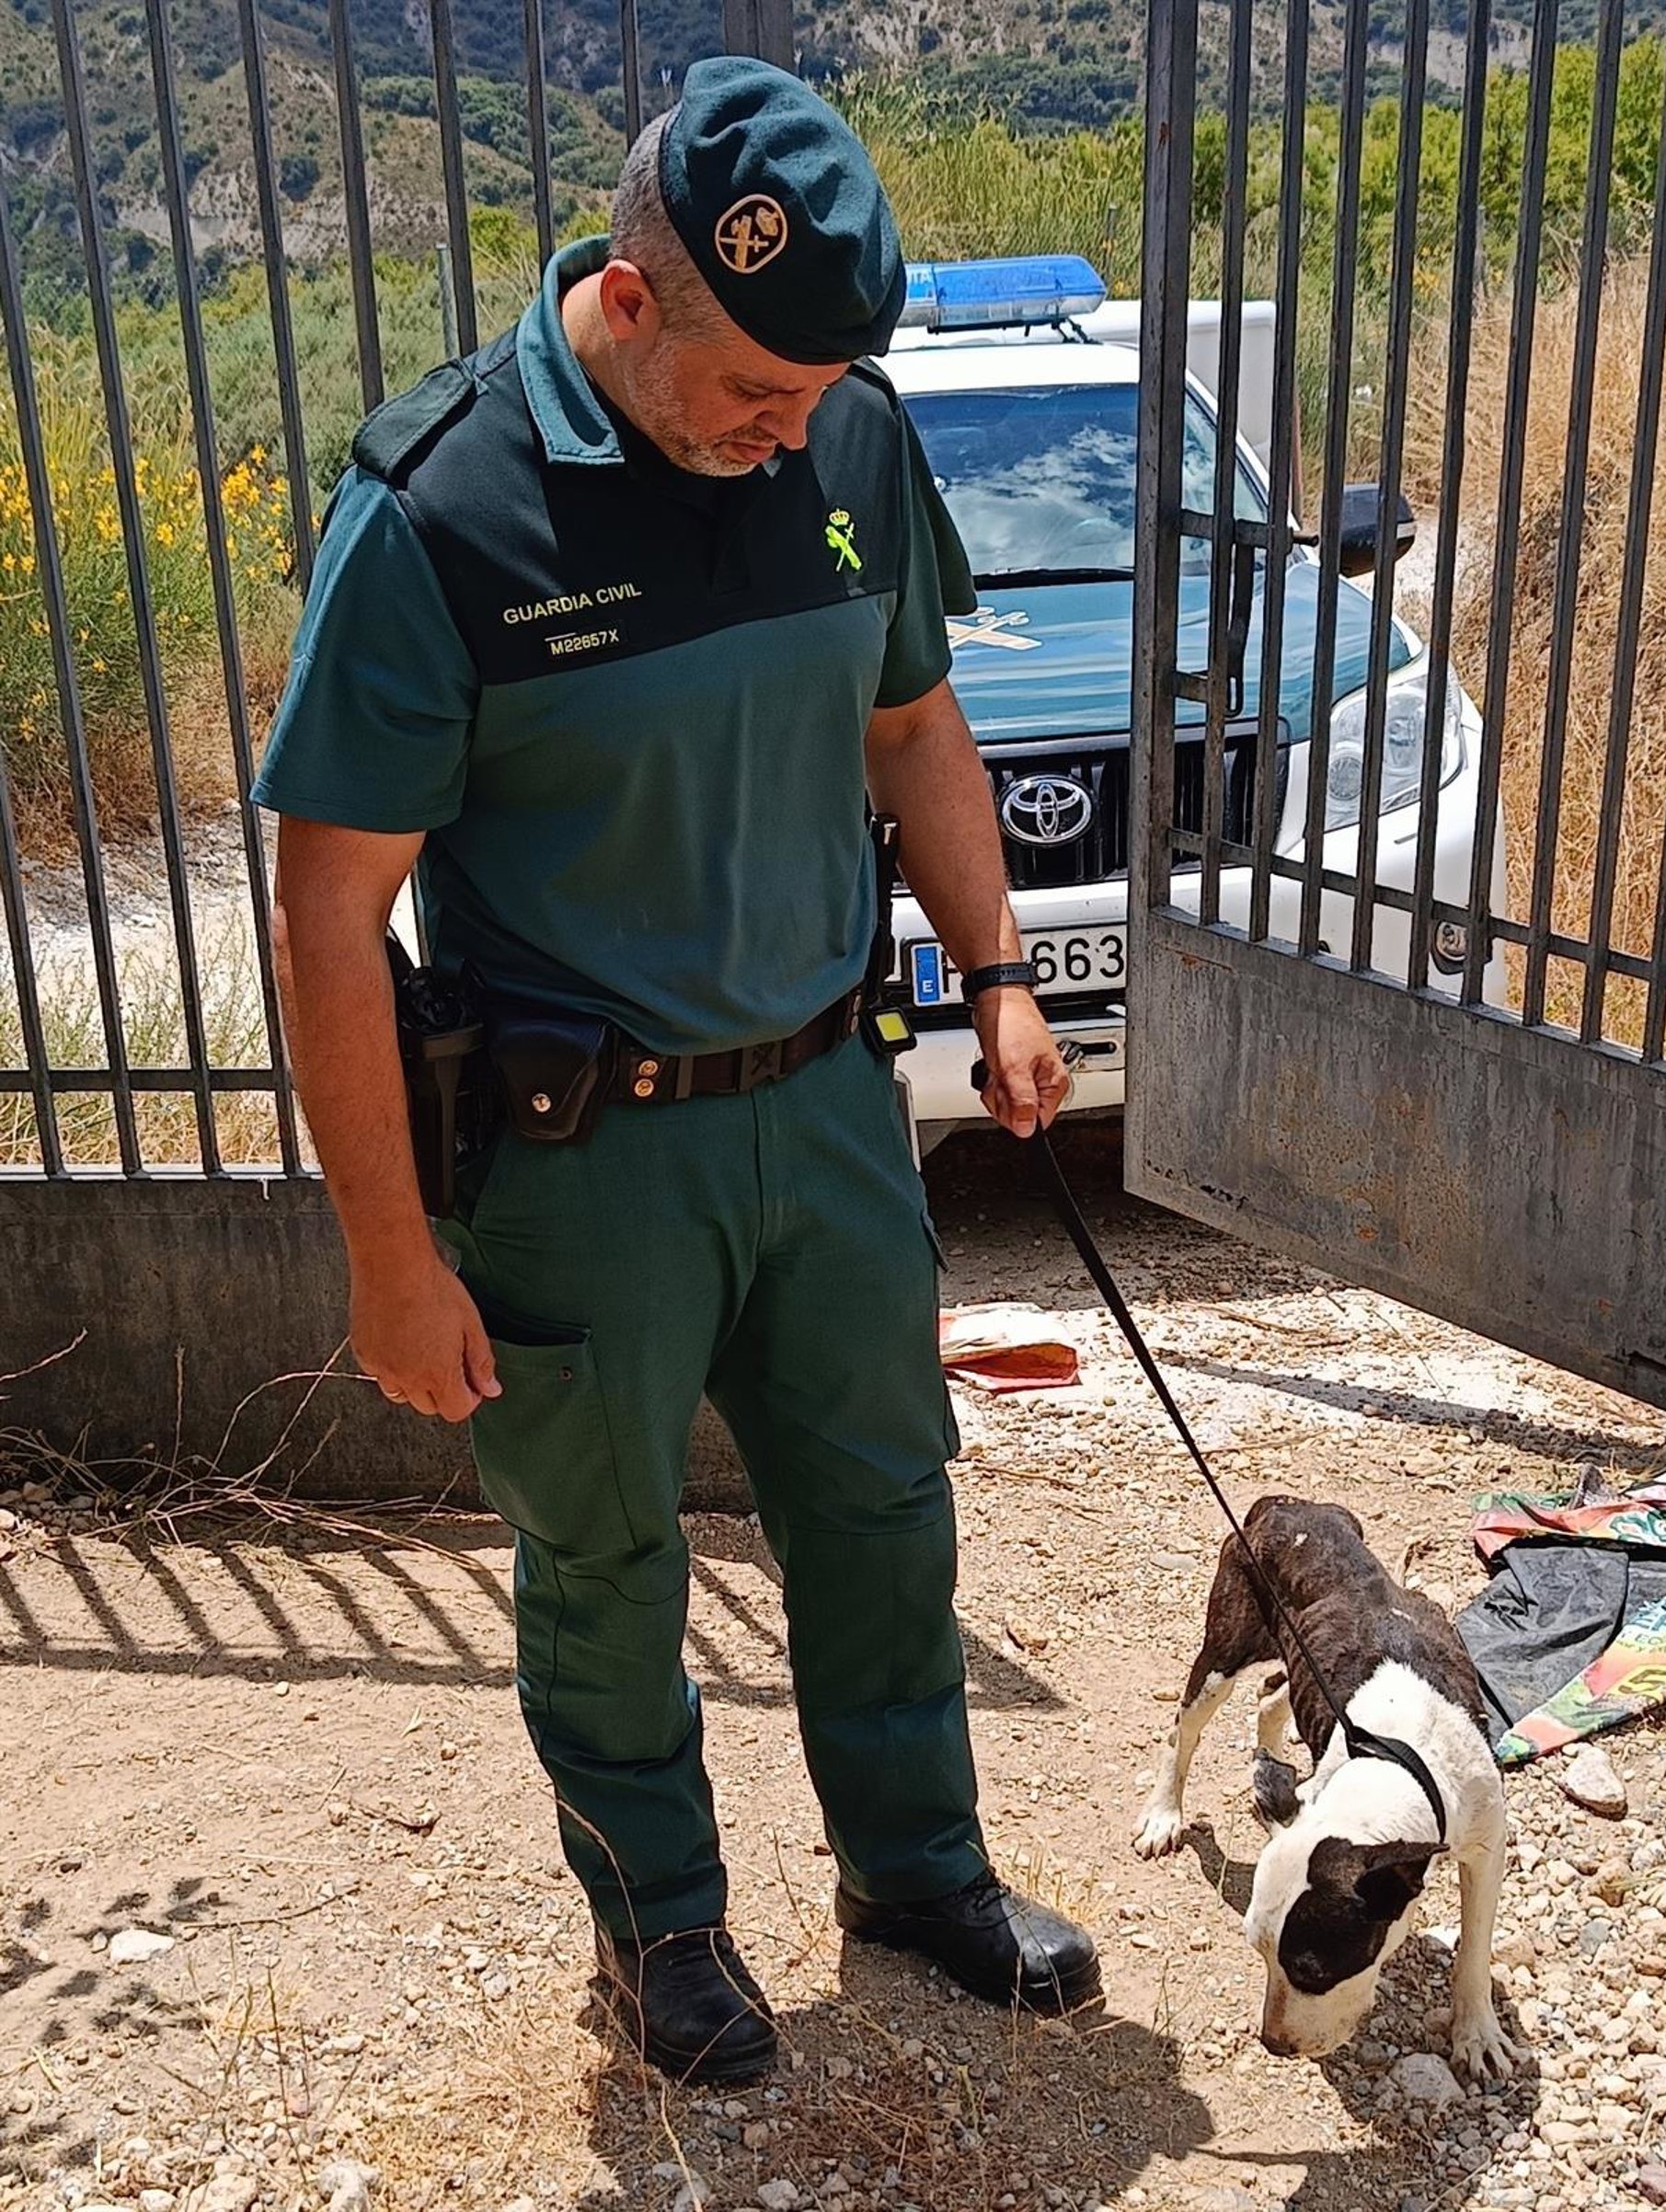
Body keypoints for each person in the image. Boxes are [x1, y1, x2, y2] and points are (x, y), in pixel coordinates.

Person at [254, 54, 1100, 2083]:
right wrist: (389, 1256)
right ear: (628, 301)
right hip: (584, 1161)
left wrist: (997, 974)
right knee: (611, 1557)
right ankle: (660, 1930)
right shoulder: (442, 508)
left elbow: (912, 725)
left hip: (827, 1105)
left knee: (886, 1510)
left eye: (817, 392)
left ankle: (917, 1872)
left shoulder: (847, 429)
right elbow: (325, 912)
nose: (790, 431)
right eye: (754, 391)